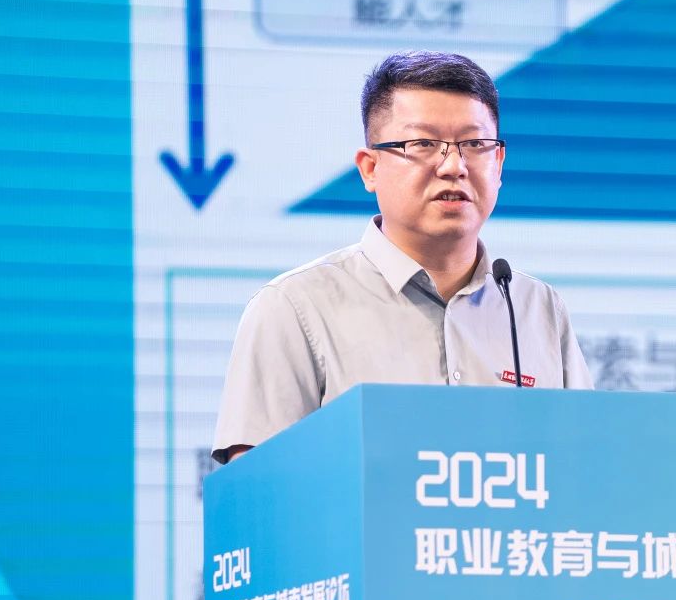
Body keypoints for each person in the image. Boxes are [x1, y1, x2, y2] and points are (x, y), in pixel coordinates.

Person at [211, 51, 593, 464]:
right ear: (370, 168)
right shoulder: (295, 308)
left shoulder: (538, 309)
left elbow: (586, 468)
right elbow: (256, 491)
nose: (454, 166)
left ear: (498, 164)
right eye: (424, 144)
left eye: (474, 144)